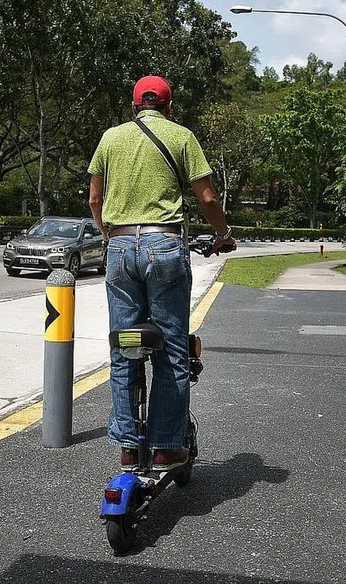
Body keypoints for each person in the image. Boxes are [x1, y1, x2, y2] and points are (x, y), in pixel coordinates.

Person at [88, 75, 235, 471]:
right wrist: (223, 234)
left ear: (135, 106)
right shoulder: (182, 136)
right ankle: (167, 445)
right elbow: (206, 196)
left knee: (123, 349)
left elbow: (95, 199)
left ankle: (127, 445)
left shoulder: (110, 139)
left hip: (119, 247)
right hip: (164, 246)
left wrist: (110, 237)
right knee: (171, 350)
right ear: (168, 106)